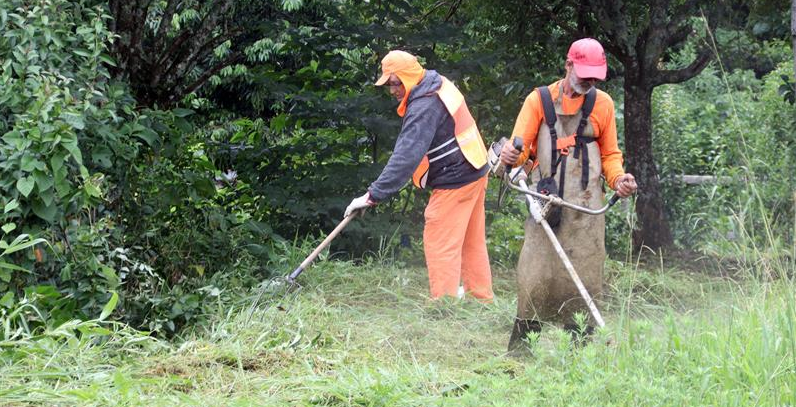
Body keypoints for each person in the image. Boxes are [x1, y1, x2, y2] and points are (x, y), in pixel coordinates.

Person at [499, 38, 637, 351]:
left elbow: (611, 155)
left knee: (584, 281)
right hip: (545, 207)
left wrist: (618, 180)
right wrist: (510, 156)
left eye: (594, 76)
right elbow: (520, 151)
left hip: (586, 209)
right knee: (535, 276)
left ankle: (580, 357)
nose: (589, 81)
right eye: (584, 73)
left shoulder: (603, 104)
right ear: (568, 65)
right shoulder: (539, 101)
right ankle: (520, 354)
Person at [344, 50, 494, 301]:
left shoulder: (425, 104)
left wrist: (372, 196)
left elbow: (406, 156)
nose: (392, 90)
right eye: (388, 85)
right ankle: (481, 300)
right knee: (471, 242)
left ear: (408, 76)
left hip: (456, 178)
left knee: (439, 241)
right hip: (475, 169)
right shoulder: (437, 83)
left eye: (394, 83)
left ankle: (444, 305)